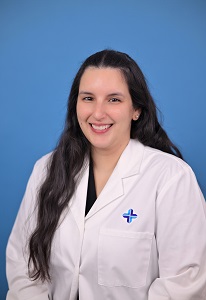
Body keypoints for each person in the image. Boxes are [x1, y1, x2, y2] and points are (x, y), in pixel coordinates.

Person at [6, 49, 206, 300]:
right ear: (75, 105)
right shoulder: (46, 169)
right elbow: (23, 267)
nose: (98, 113)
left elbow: (183, 284)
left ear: (137, 110)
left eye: (114, 99)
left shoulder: (171, 178)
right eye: (88, 98)